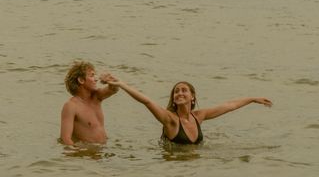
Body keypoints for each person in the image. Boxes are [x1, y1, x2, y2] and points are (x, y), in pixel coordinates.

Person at [104, 77, 272, 145]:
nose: (180, 93)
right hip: (173, 166)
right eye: (176, 91)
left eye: (184, 90)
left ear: (193, 97)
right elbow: (146, 101)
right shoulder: (170, 120)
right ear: (174, 98)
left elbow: (229, 106)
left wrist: (252, 99)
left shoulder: (199, 116)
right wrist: (121, 84)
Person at [59, 61, 119, 145]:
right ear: (81, 80)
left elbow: (114, 89)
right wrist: (79, 155)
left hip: (102, 151)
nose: (96, 79)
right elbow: (65, 139)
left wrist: (110, 79)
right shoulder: (71, 106)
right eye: (92, 75)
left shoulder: (97, 97)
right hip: (87, 154)